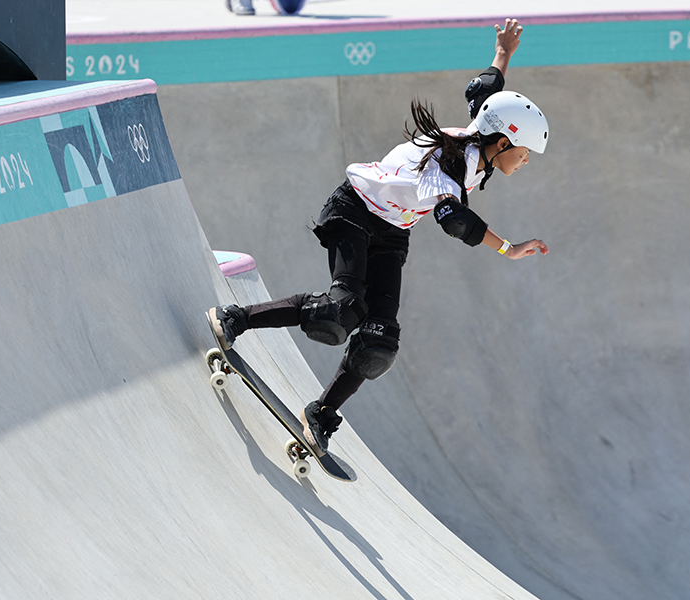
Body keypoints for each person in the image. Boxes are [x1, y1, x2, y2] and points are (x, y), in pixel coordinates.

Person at [208, 19, 549, 456]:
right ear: (502, 143)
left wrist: (503, 52)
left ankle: (321, 415)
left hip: (392, 233)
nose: (525, 162)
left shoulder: (485, 131)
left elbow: (487, 91)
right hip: (354, 210)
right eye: (524, 154)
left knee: (378, 340)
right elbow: (455, 222)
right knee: (340, 311)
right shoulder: (450, 165)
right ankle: (235, 318)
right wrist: (508, 248)